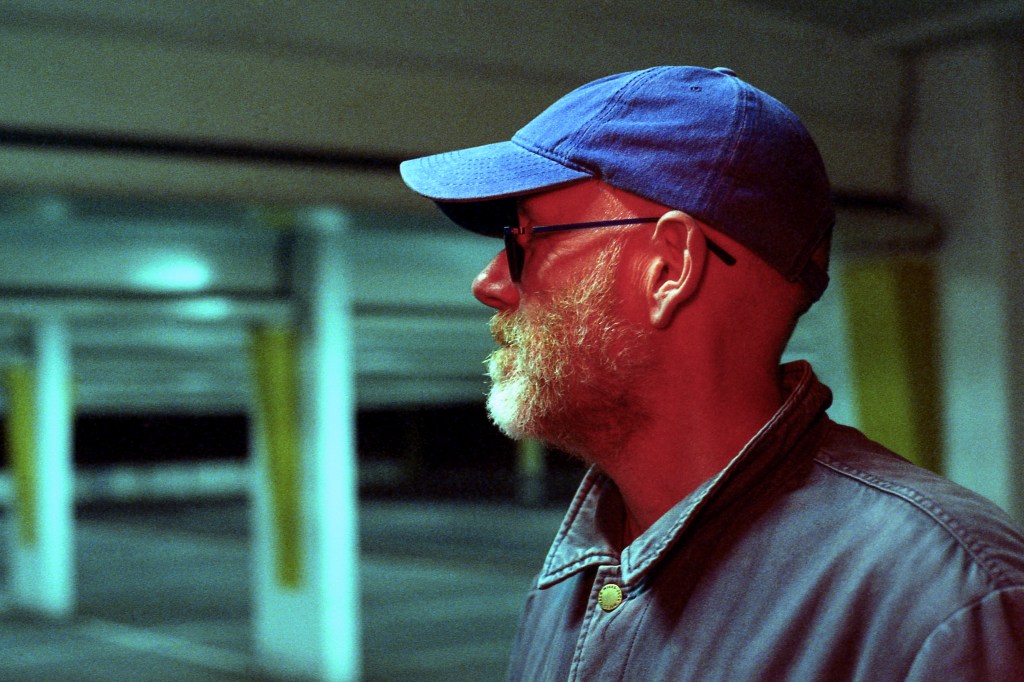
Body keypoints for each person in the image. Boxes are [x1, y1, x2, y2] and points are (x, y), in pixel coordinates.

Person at [399, 66, 1024, 680]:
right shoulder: (576, 578)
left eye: (524, 238)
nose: (488, 283)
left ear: (669, 270)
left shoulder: (945, 605)